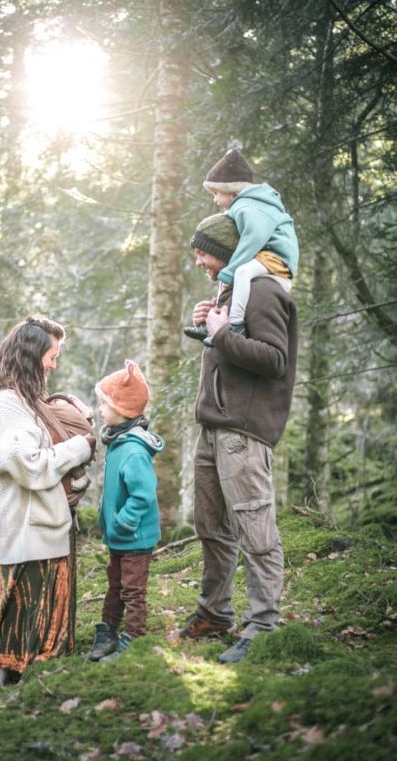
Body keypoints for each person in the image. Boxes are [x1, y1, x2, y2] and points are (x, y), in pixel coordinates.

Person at [176, 213, 298, 664]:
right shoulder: (233, 289)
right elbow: (228, 346)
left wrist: (222, 334)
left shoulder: (263, 289)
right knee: (211, 527)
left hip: (243, 433)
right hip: (213, 428)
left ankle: (263, 625)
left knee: (255, 529)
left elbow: (274, 359)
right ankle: (215, 614)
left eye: (203, 252)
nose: (199, 261)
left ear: (226, 251)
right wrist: (209, 324)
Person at [0, 316, 96, 693]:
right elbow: (28, 465)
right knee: (16, 622)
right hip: (25, 534)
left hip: (41, 530)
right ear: (31, 355)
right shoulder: (8, 404)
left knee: (41, 623)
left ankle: (34, 697)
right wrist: (80, 446)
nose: (54, 365)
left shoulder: (24, 401)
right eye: (51, 356)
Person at [88, 360, 164, 662]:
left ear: (122, 409)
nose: (100, 410)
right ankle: (108, 630)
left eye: (104, 404)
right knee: (115, 585)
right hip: (119, 535)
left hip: (134, 536)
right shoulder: (117, 441)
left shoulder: (133, 450)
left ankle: (135, 636)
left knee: (132, 589)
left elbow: (143, 495)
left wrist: (123, 521)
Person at [184, 148, 298, 340]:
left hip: (277, 256)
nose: (215, 199)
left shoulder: (248, 208)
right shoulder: (241, 208)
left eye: (216, 193)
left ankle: (235, 324)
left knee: (241, 272)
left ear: (233, 192)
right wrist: (210, 317)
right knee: (233, 275)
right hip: (266, 256)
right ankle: (213, 324)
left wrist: (223, 334)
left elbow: (253, 238)